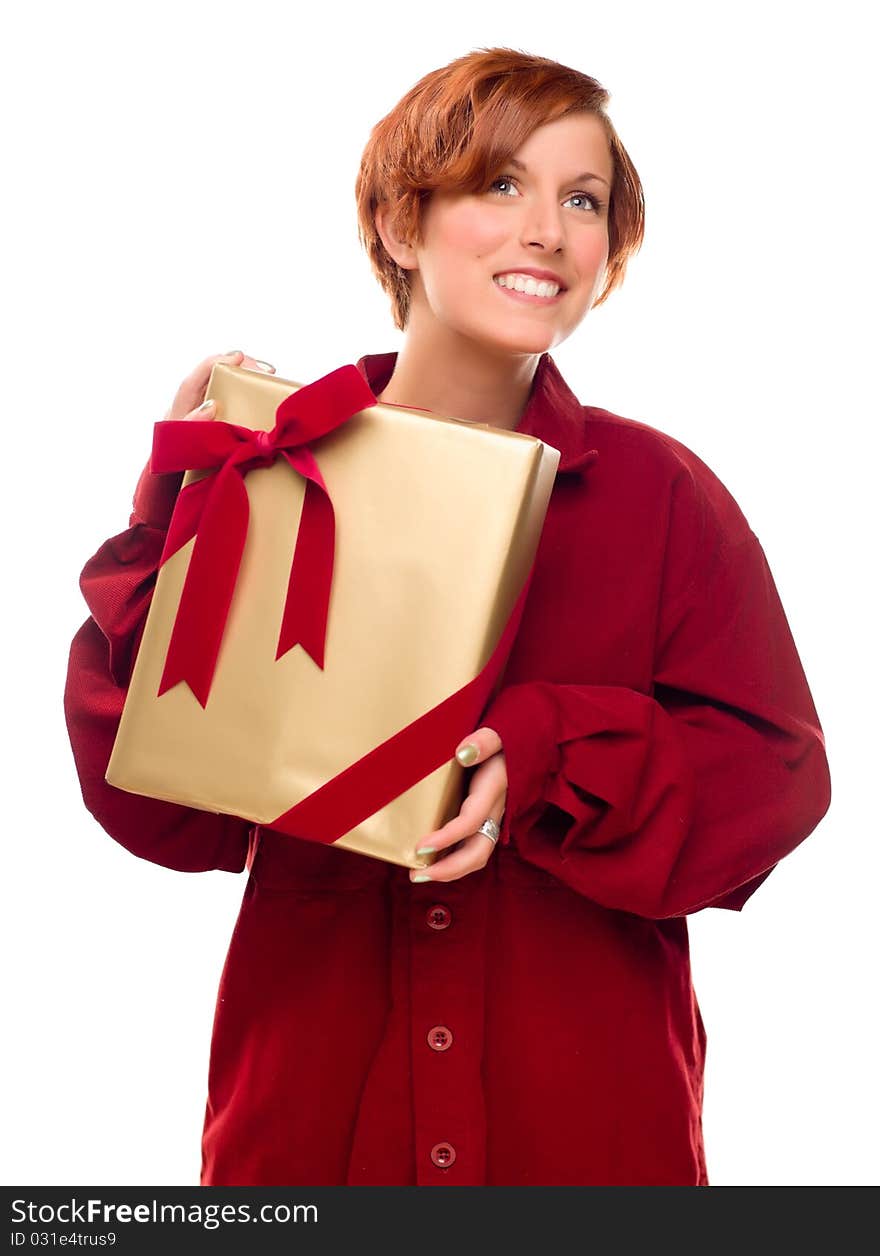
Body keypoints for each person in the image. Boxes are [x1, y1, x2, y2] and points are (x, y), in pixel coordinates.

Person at [64, 47, 832, 1186]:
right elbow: (163, 806)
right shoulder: (277, 474)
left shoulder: (661, 495)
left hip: (586, 1144)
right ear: (399, 221)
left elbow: (773, 780)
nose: (547, 230)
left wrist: (548, 752)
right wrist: (171, 518)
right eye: (498, 184)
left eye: (583, 200)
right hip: (312, 1143)